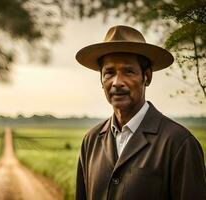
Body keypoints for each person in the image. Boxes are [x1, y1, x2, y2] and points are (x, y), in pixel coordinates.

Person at [75, 25, 206, 200]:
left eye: (128, 71)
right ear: (101, 79)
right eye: (109, 73)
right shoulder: (90, 142)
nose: (117, 82)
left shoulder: (178, 143)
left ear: (147, 77)